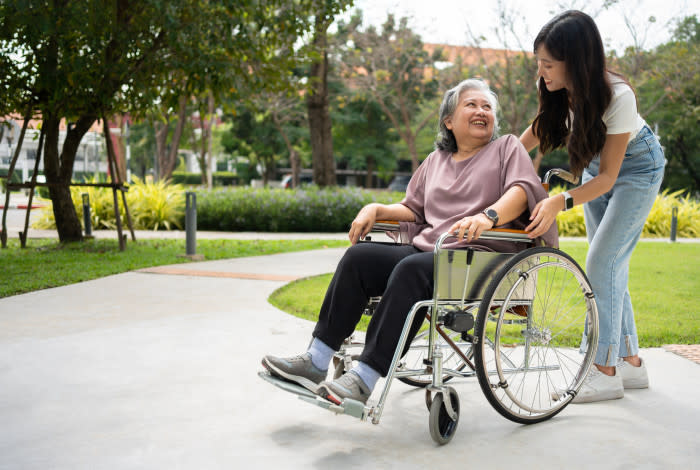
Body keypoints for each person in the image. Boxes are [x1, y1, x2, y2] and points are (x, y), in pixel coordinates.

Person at [262, 78, 557, 406]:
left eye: (487, 106)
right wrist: (376, 208)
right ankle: (316, 361)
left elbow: (520, 191)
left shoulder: (506, 148)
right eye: (471, 104)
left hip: (480, 256)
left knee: (411, 269)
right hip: (430, 251)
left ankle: (364, 378)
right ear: (449, 121)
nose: (481, 111)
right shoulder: (436, 161)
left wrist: (487, 216)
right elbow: (413, 208)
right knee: (358, 258)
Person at [520, 11, 665, 403]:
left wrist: (559, 201)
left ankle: (603, 371)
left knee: (602, 262)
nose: (543, 72)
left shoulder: (618, 95)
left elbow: (609, 178)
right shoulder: (558, 89)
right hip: (596, 167)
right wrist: (500, 159)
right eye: (539, 63)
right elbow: (537, 131)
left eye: (548, 64)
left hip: (635, 170)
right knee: (611, 265)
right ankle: (631, 363)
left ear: (576, 61)